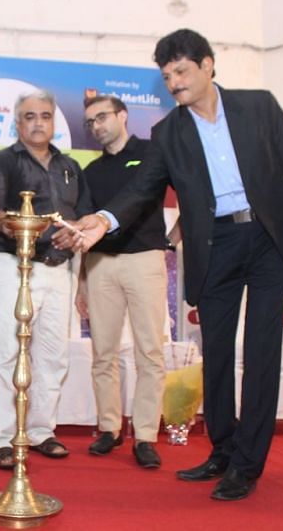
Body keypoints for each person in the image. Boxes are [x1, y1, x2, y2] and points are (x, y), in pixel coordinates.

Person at [55, 28, 283, 501]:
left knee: (260, 353)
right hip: (215, 244)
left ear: (207, 65)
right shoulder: (168, 133)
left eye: (181, 71)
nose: (174, 82)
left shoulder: (259, 106)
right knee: (215, 352)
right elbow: (142, 190)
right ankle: (222, 447)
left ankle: (247, 463)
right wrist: (103, 219)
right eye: (166, 75)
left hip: (268, 240)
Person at [0, 89, 90, 470]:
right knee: (6, 353)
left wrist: (76, 233)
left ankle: (41, 430)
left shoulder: (70, 165)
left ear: (54, 120)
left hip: (61, 270)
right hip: (12, 267)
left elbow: (85, 218)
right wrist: (15, 226)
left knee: (53, 357)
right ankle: (1, 438)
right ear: (17, 122)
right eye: (29, 116)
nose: (38, 122)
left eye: (45, 115)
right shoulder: (2, 162)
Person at [77, 95, 168, 469]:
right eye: (91, 121)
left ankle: (145, 435)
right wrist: (82, 279)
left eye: (102, 117)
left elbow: (192, 194)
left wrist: (177, 237)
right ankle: (109, 428)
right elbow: (84, 225)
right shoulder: (91, 171)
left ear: (123, 116)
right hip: (100, 264)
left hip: (145, 260)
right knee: (103, 353)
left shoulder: (152, 154)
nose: (97, 125)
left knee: (150, 352)